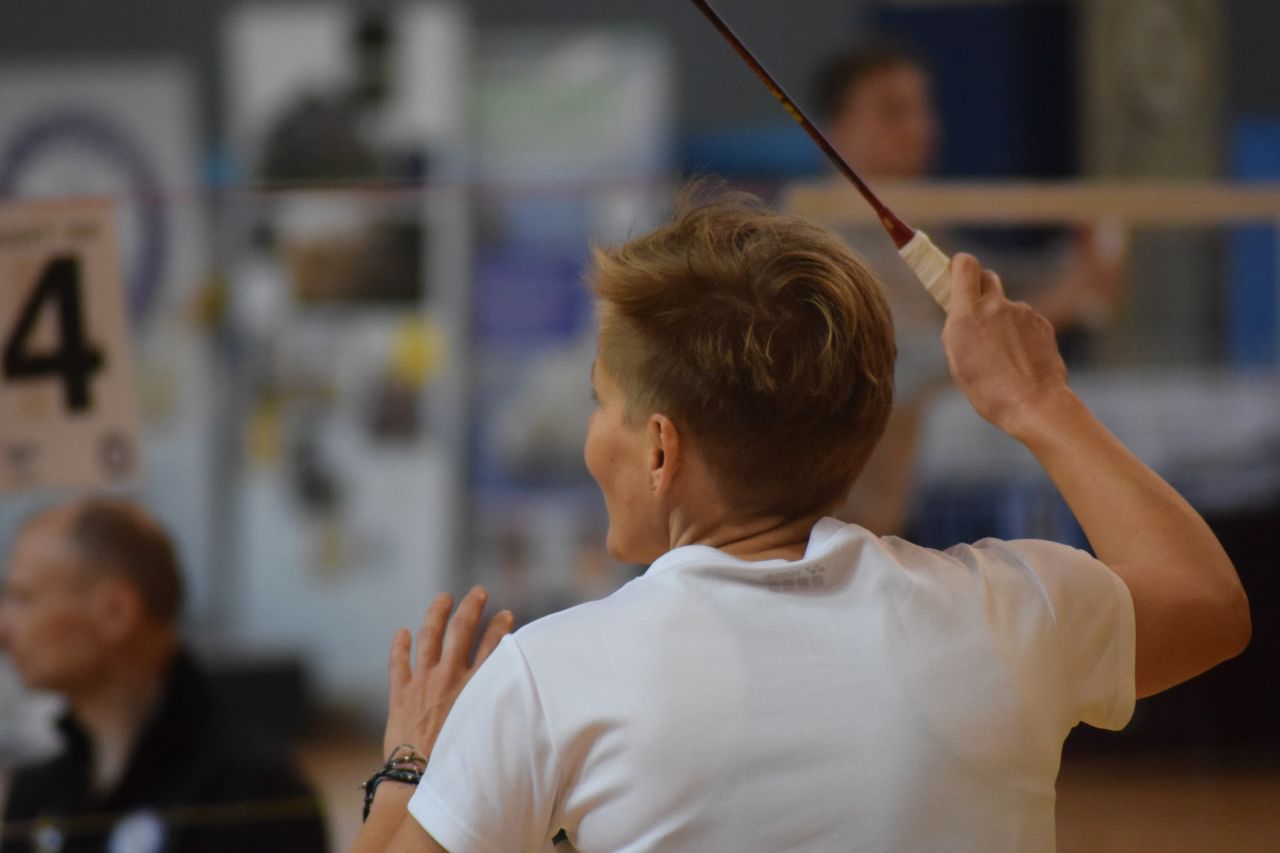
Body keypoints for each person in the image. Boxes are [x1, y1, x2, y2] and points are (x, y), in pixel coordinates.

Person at [352, 191, 1248, 851]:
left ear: (661, 449)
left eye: (602, 403)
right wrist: (1039, 401)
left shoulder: (548, 680)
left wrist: (412, 765)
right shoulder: (1009, 614)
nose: (593, 435)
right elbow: (1207, 600)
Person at [811, 45, 1128, 535]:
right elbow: (898, 364)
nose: (919, 127)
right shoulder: (823, 241)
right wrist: (1055, 305)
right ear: (838, 127)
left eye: (923, 108)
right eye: (893, 111)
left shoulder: (914, 221)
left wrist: (1082, 260)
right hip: (853, 501)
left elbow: (991, 278)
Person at [0, 498, 329, 853]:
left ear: (115, 612)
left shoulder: (250, 799)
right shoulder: (40, 791)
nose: (4, 628)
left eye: (23, 598)